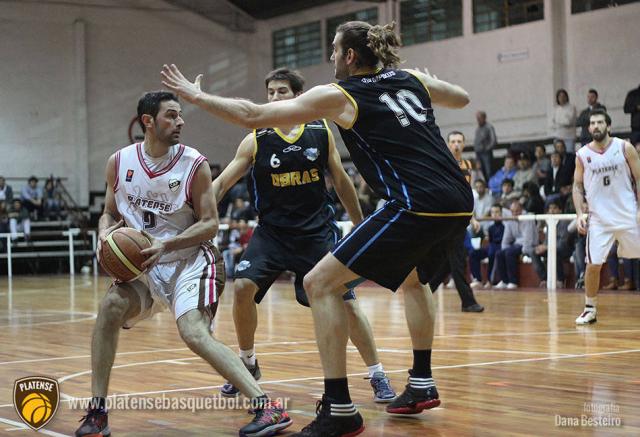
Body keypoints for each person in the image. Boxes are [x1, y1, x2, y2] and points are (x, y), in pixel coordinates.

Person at [162, 20, 473, 437]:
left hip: (415, 201)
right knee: (415, 281)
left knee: (320, 284)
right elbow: (462, 98)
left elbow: (253, 115)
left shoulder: (340, 96)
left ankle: (340, 407)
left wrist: (197, 96)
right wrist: (425, 80)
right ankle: (420, 381)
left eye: (333, 49)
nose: (329, 57)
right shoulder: (409, 78)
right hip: (458, 199)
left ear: (348, 56)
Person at [74, 91, 291, 437]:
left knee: (192, 332)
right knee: (110, 308)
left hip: (192, 260)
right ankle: (97, 412)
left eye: (179, 115)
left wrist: (169, 243)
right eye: (172, 116)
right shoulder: (119, 162)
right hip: (146, 264)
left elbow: (210, 223)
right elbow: (110, 212)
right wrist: (104, 233)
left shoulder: (194, 163)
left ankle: (267, 407)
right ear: (148, 121)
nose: (180, 122)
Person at [212, 67, 396, 402]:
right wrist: (199, 212)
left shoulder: (321, 131)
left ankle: (377, 374)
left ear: (298, 96)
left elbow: (341, 181)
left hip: (316, 234)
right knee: (241, 289)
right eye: (270, 92)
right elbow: (222, 183)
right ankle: (248, 362)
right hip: (272, 234)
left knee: (348, 304)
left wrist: (360, 225)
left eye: (282, 92)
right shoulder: (256, 137)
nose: (274, 98)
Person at [573, 109, 640, 324]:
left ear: (608, 126)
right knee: (593, 264)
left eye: (600, 122)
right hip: (599, 220)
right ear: (588, 128)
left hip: (628, 214)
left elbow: (639, 179)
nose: (596, 126)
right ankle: (590, 308)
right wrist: (580, 213)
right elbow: (577, 185)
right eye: (592, 123)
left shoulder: (624, 147)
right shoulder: (582, 154)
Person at [428, 131, 484, 312]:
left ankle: (425, 292)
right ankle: (468, 302)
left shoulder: (468, 164)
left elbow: (467, 194)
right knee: (458, 260)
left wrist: (472, 217)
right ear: (448, 144)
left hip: (460, 219)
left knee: (448, 261)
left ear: (464, 144)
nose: (456, 145)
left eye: (459, 141)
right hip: (445, 219)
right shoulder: (441, 161)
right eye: (453, 141)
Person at [494, 200, 538, 289]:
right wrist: (504, 249)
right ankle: (504, 281)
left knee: (509, 252)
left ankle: (513, 281)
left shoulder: (528, 218)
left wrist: (524, 252)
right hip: (517, 244)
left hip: (529, 245)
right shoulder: (510, 219)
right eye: (512, 211)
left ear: (522, 210)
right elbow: (506, 239)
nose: (514, 213)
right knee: (499, 253)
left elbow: (528, 239)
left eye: (517, 211)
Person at [531, 201, 571, 288]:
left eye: (554, 208)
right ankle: (544, 279)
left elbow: (563, 242)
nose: (552, 211)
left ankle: (560, 280)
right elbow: (547, 240)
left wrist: (547, 247)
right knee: (534, 252)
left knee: (555, 251)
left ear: (560, 210)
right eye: (550, 208)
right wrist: (542, 246)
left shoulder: (564, 221)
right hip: (551, 247)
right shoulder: (549, 221)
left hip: (566, 248)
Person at [469, 204, 504, 288]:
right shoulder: (491, 227)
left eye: (497, 212)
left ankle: (490, 280)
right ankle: (477, 279)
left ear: (501, 213)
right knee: (474, 253)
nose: (495, 214)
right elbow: (490, 241)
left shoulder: (505, 225)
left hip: (500, 247)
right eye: (492, 212)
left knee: (492, 253)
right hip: (491, 247)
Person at [473, 111, 497, 181]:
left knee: (488, 171)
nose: (478, 120)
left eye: (479, 118)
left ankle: (490, 186)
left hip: (486, 153)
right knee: (480, 171)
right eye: (477, 118)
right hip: (478, 153)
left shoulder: (489, 127)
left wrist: (487, 148)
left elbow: (493, 140)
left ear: (484, 118)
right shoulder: (478, 129)